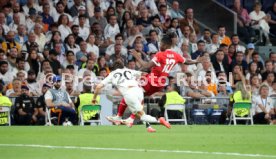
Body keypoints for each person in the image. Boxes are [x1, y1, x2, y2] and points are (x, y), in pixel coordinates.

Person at [107, 32, 202, 126]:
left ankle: (119, 116)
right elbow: (187, 61)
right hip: (160, 84)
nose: (160, 45)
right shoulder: (175, 55)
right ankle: (130, 119)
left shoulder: (160, 54)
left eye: (161, 43)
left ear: (165, 44)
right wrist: (195, 61)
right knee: (138, 96)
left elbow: (146, 65)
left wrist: (137, 56)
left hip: (151, 81)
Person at [92, 61, 171, 132]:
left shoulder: (112, 74)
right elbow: (144, 74)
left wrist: (94, 98)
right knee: (137, 112)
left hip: (129, 93)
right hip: (139, 90)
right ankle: (129, 120)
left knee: (142, 115)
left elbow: (98, 87)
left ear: (113, 69)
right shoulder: (129, 70)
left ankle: (159, 120)